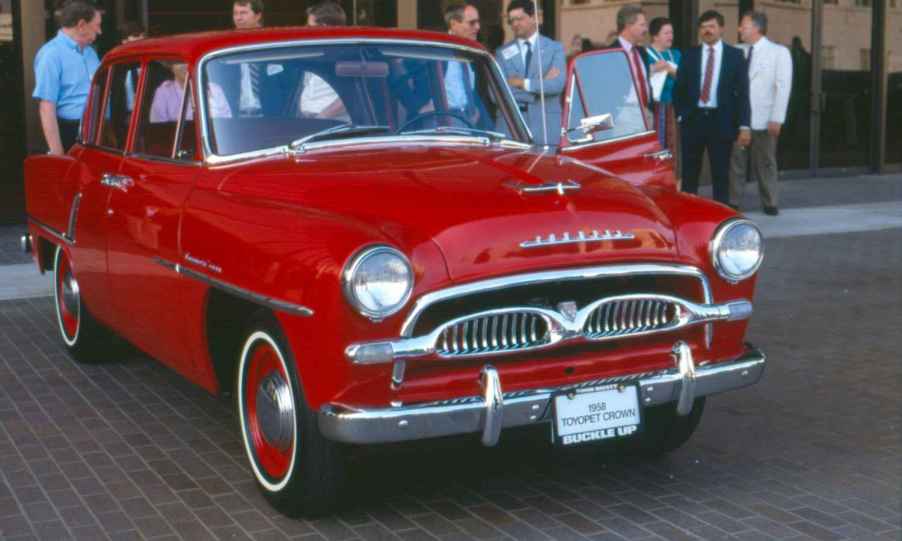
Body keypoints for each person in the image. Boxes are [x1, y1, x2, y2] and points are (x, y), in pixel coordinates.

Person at [673, 10, 751, 205]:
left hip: (722, 121)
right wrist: (682, 115)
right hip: (694, 120)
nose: (707, 31)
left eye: (712, 26)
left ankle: (720, 215)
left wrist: (744, 125)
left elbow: (743, 93)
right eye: (704, 27)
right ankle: (688, 213)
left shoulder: (735, 55)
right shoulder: (690, 55)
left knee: (721, 173)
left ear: (721, 29)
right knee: (690, 172)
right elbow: (679, 89)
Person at [729, 11, 793, 215]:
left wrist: (777, 118)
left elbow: (783, 87)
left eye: (743, 26)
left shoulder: (778, 52)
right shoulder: (736, 51)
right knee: (736, 163)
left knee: (765, 161)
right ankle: (733, 202)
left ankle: (770, 202)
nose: (739, 29)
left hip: (764, 118)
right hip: (740, 119)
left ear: (757, 28)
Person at [32, 0, 102, 155]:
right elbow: (46, 107)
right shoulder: (51, 55)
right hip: (70, 132)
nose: (100, 31)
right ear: (82, 25)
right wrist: (57, 152)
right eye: (97, 25)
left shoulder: (91, 52)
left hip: (96, 131)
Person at [495, 0, 565, 146]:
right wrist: (540, 87)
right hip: (511, 129)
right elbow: (496, 93)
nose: (515, 24)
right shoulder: (501, 53)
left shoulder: (554, 49)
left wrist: (522, 83)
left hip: (546, 128)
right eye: (511, 20)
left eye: (519, 19)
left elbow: (556, 85)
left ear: (534, 17)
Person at [644, 17, 682, 186]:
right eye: (666, 32)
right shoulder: (644, 54)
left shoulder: (676, 54)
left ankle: (671, 184)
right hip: (652, 108)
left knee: (671, 146)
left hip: (671, 107)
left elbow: (684, 77)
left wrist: (668, 68)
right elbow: (638, 74)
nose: (670, 36)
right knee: (654, 147)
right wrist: (653, 68)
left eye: (671, 32)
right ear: (655, 36)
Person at [300, 1, 348, 120]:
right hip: (308, 122)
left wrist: (323, 116)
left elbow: (352, 95)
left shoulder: (348, 54)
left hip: (335, 125)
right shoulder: (311, 52)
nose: (306, 30)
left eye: (310, 27)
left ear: (324, 27)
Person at [606, 5, 653, 118]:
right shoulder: (609, 54)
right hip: (622, 116)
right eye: (642, 25)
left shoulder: (642, 52)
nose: (646, 30)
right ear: (628, 26)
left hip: (646, 113)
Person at [150, 62, 231, 123]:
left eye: (190, 61)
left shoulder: (215, 89)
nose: (186, 65)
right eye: (180, 61)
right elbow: (159, 129)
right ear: (171, 67)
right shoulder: (164, 92)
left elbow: (227, 123)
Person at [232, 0, 264, 116]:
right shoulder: (228, 44)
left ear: (258, 16)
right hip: (238, 114)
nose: (238, 18)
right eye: (235, 13)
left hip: (270, 114)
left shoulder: (270, 42)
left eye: (243, 13)